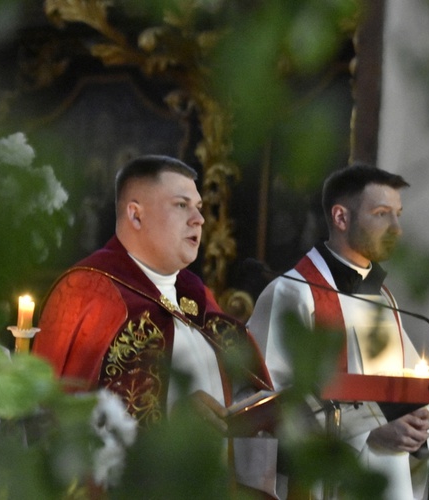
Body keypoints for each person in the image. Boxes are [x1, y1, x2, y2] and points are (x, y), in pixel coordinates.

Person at [31, 154, 276, 495]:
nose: (199, 219)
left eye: (199, 206)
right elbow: (57, 417)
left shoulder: (196, 296)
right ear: (135, 214)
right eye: (181, 205)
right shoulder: (87, 291)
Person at [247, 163, 429, 500]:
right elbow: (265, 406)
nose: (396, 228)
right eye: (381, 214)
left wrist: (416, 424)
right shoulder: (293, 292)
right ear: (341, 218)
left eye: (398, 215)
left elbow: (402, 386)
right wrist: (368, 432)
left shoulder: (382, 296)